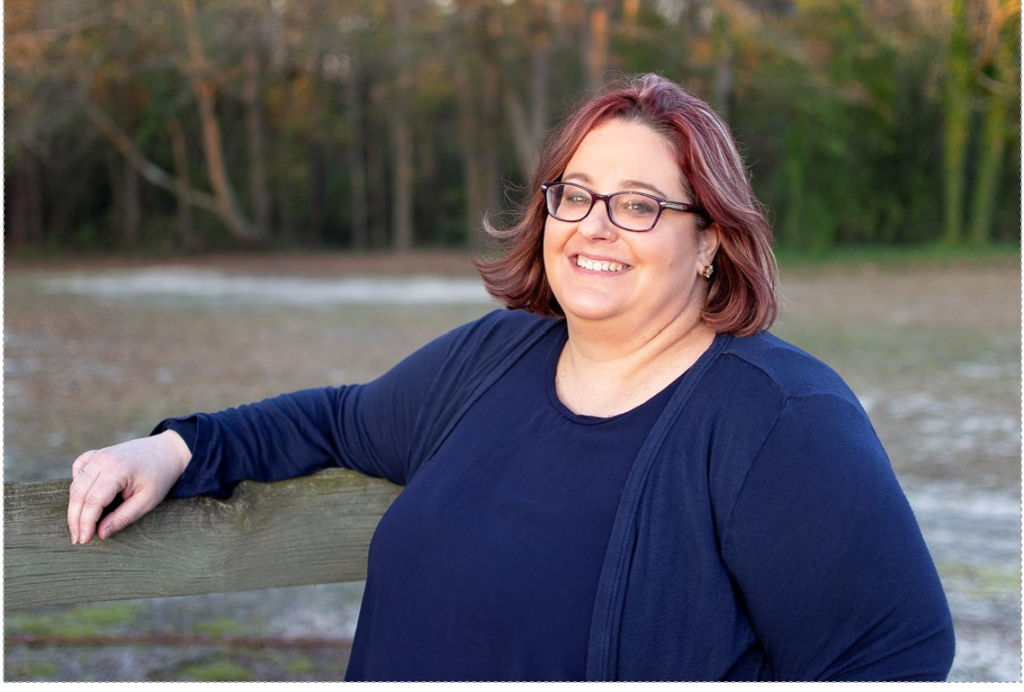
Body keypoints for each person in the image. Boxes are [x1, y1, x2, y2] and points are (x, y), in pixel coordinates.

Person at [66, 74, 955, 682]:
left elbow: (897, 657)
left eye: (640, 206)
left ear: (711, 242)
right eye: (574, 194)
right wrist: (176, 447)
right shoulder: (494, 358)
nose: (595, 227)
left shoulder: (778, 419)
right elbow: (336, 420)